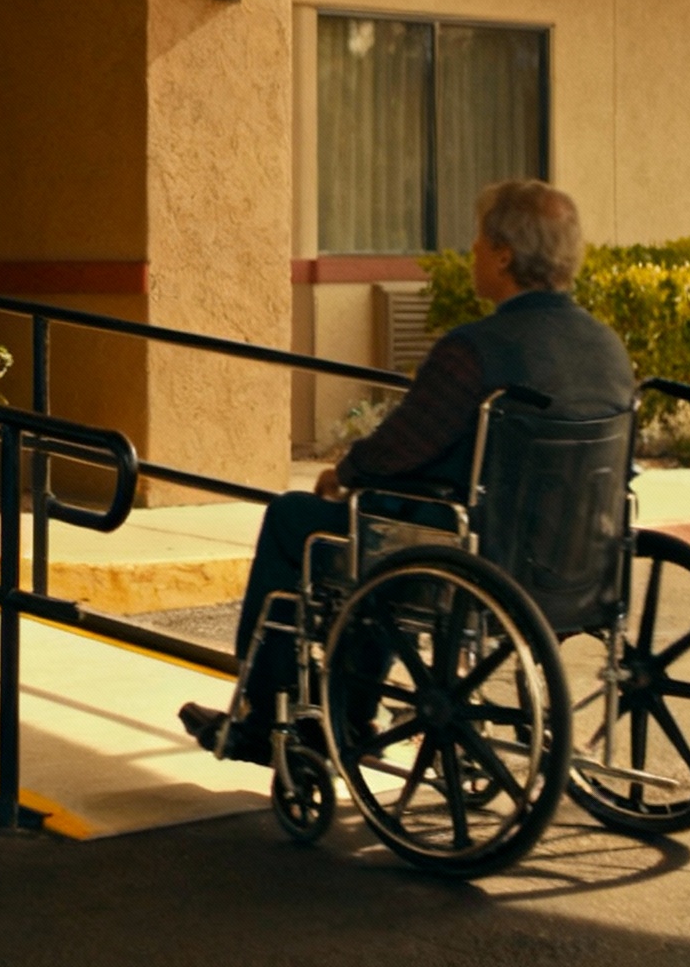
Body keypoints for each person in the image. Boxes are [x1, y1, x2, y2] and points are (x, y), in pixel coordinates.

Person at [182, 179, 634, 760]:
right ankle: (348, 713)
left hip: (477, 555)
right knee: (386, 528)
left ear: (503, 255)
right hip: (575, 564)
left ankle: (268, 715)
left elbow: (405, 442)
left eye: (479, 241)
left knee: (299, 521)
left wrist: (346, 472)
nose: (471, 251)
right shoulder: (608, 349)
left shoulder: (476, 349)